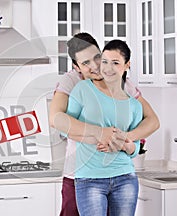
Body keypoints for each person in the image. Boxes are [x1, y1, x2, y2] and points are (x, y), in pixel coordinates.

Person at [49, 33, 160, 216]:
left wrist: (122, 138)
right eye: (86, 63)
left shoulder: (122, 82)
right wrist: (99, 132)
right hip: (78, 175)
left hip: (118, 174)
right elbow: (56, 119)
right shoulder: (72, 82)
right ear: (77, 67)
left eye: (97, 58)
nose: (95, 66)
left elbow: (152, 120)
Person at [66, 39, 143, 216]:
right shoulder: (83, 89)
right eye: (105, 61)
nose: (108, 68)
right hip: (89, 179)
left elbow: (135, 148)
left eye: (115, 63)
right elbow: (66, 128)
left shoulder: (134, 105)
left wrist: (121, 143)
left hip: (125, 178)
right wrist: (97, 136)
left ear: (127, 65)